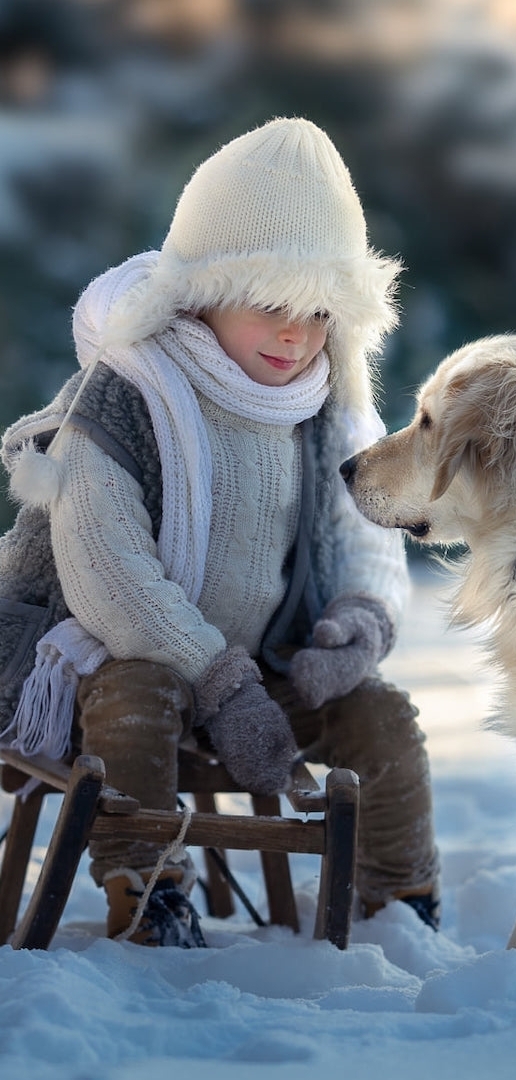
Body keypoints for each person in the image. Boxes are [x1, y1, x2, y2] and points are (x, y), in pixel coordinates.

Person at [0, 117, 439, 947]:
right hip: (122, 651)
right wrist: (216, 679)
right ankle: (150, 884)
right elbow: (109, 569)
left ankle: (401, 896)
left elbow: (366, 539)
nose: (294, 335)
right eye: (269, 304)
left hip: (268, 666)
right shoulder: (130, 393)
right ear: (198, 292)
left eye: (317, 313)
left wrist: (356, 625)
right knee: (136, 696)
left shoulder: (330, 406)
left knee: (378, 714)